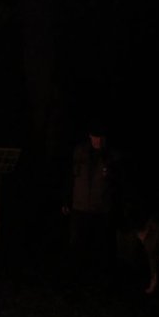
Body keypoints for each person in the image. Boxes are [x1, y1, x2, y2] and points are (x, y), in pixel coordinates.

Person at [61, 118, 124, 288]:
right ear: (90, 136)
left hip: (101, 209)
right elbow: (71, 177)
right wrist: (67, 199)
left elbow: (119, 184)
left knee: (100, 246)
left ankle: (99, 281)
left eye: (101, 138)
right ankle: (76, 280)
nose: (98, 141)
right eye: (95, 137)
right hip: (80, 207)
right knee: (77, 244)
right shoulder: (80, 152)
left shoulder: (113, 156)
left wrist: (111, 175)